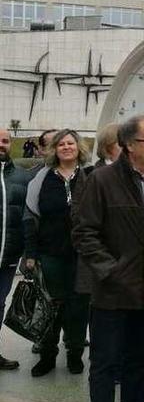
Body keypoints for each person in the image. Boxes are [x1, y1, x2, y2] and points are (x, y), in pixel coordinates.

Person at [71, 116, 144, 402]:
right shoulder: (101, 180)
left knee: (138, 356)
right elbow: (83, 232)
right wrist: (110, 270)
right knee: (105, 361)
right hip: (112, 290)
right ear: (130, 145)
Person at [24, 129, 90, 377]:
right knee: (50, 307)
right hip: (49, 254)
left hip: (82, 256)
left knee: (78, 308)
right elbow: (30, 218)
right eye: (61, 144)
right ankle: (47, 355)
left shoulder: (89, 176)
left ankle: (74, 354)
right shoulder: (42, 179)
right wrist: (31, 255)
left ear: (78, 147)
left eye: (70, 143)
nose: (66, 147)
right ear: (54, 149)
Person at [0, 128, 30, 371]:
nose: (2, 144)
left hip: (8, 258)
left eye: (5, 140)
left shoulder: (22, 177)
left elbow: (28, 218)